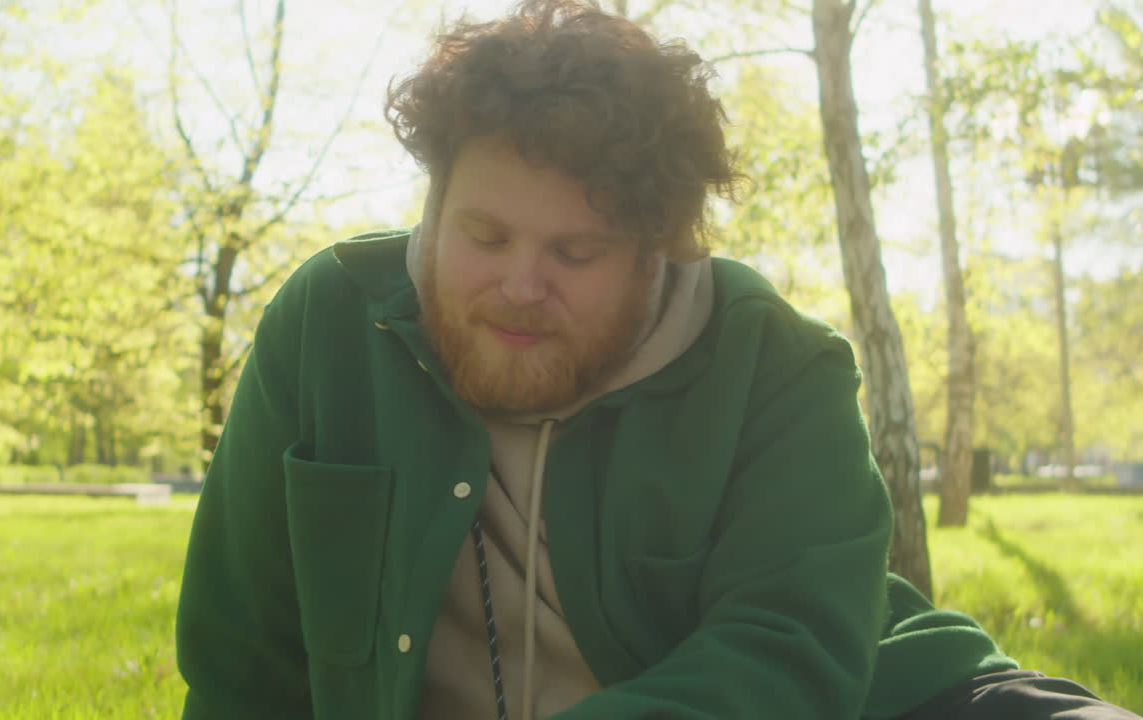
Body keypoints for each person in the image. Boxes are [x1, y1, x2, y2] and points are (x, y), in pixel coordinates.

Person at [174, 2, 1140, 718]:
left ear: (660, 250)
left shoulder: (777, 365)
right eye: (484, 235)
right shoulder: (326, 327)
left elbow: (786, 658)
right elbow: (239, 667)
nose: (519, 285)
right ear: (433, 207)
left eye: (574, 253)